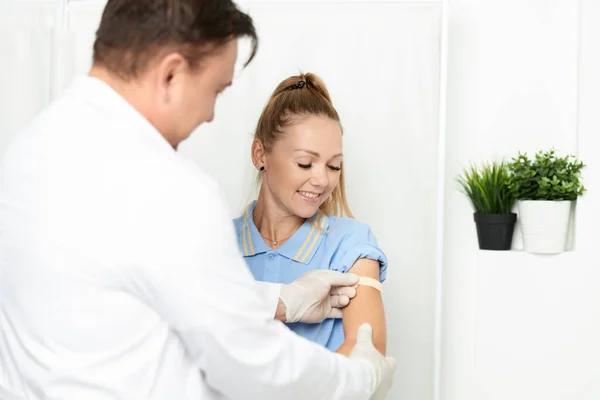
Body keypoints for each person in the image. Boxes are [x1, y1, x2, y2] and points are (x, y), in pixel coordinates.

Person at [0, 0, 396, 399]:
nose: (209, 114)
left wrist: (278, 300)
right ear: (171, 73)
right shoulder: (170, 191)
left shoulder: (22, 157)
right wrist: (361, 376)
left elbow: (130, 289)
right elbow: (253, 361)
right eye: (215, 90)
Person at [235, 73, 387, 356]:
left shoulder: (351, 245)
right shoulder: (218, 241)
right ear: (259, 154)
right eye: (305, 163)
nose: (321, 180)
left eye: (333, 166)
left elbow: (366, 350)